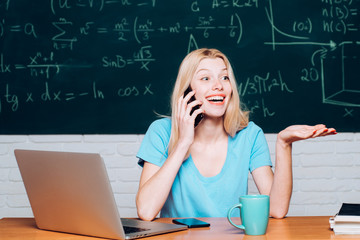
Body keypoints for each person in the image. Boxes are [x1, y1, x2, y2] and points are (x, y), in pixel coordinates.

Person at [135, 48, 337, 221]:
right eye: (205, 78)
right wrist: (184, 142)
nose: (218, 86)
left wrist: (284, 144)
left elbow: (276, 210)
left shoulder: (250, 135)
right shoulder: (161, 131)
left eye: (224, 77)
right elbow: (146, 211)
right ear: (188, 91)